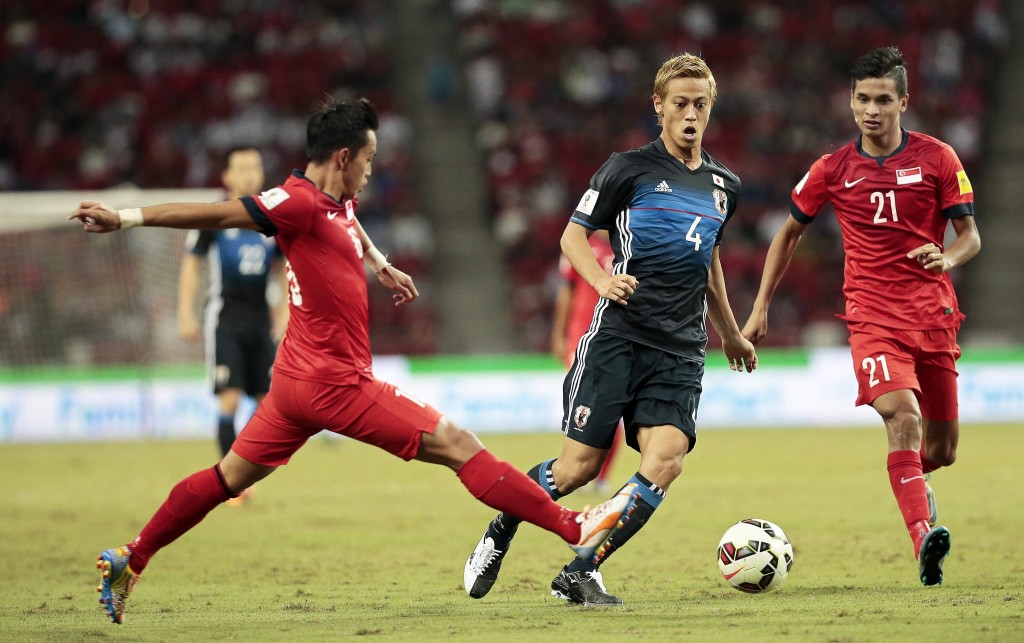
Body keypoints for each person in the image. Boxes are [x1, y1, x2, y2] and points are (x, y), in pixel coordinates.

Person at [71, 97, 635, 626]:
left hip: (292, 386)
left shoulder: (334, 198)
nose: (370, 170)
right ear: (343, 157)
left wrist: (380, 264)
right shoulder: (294, 202)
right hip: (334, 384)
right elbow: (216, 214)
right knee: (458, 445)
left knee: (227, 478)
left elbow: (348, 218)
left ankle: (132, 556)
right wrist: (125, 218)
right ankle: (573, 527)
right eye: (367, 159)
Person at [464, 53, 757, 606]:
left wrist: (731, 331)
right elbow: (572, 236)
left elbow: (709, 261)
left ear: (710, 108)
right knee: (576, 469)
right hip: (618, 338)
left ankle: (581, 570)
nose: (690, 114)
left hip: (681, 350)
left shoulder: (725, 185)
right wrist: (601, 280)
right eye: (680, 104)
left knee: (665, 460)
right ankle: (502, 527)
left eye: (700, 104)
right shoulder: (627, 169)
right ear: (659, 106)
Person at [741, 47, 981, 587]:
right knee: (903, 417)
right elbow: (787, 234)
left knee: (941, 450)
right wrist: (759, 308)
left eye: (883, 100)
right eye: (863, 99)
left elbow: (970, 236)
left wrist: (947, 258)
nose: (872, 110)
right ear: (850, 101)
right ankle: (922, 537)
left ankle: (911, 479)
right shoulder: (832, 169)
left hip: (934, 316)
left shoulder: (939, 158)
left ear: (903, 102)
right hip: (872, 319)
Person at [177, 146, 289, 507]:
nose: (248, 174)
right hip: (225, 319)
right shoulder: (214, 217)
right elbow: (192, 263)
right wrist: (185, 312)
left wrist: (284, 311)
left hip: (261, 321)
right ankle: (231, 485)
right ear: (226, 176)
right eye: (240, 168)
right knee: (230, 397)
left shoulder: (270, 219)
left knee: (267, 403)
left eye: (254, 167)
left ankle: (245, 471)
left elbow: (282, 268)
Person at [549, 230, 622, 494]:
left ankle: (599, 475)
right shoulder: (580, 244)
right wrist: (559, 335)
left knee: (612, 412)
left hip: (617, 338)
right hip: (581, 337)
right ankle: (581, 470)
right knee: (583, 407)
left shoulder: (628, 243)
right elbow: (566, 291)